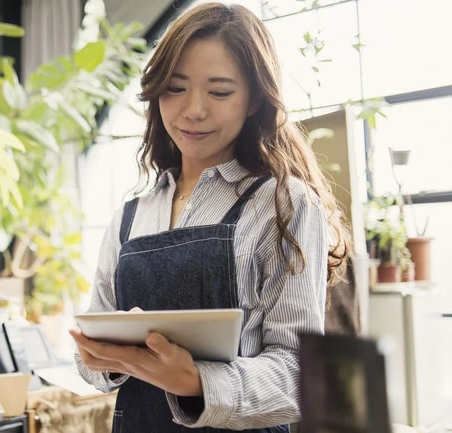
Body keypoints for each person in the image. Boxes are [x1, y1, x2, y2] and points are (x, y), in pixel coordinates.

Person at [69, 2, 350, 432]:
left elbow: (299, 373)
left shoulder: (282, 203)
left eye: (219, 92)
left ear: (255, 98)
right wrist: (102, 359)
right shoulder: (130, 215)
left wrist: (197, 382)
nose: (193, 110)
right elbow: (94, 355)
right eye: (176, 88)